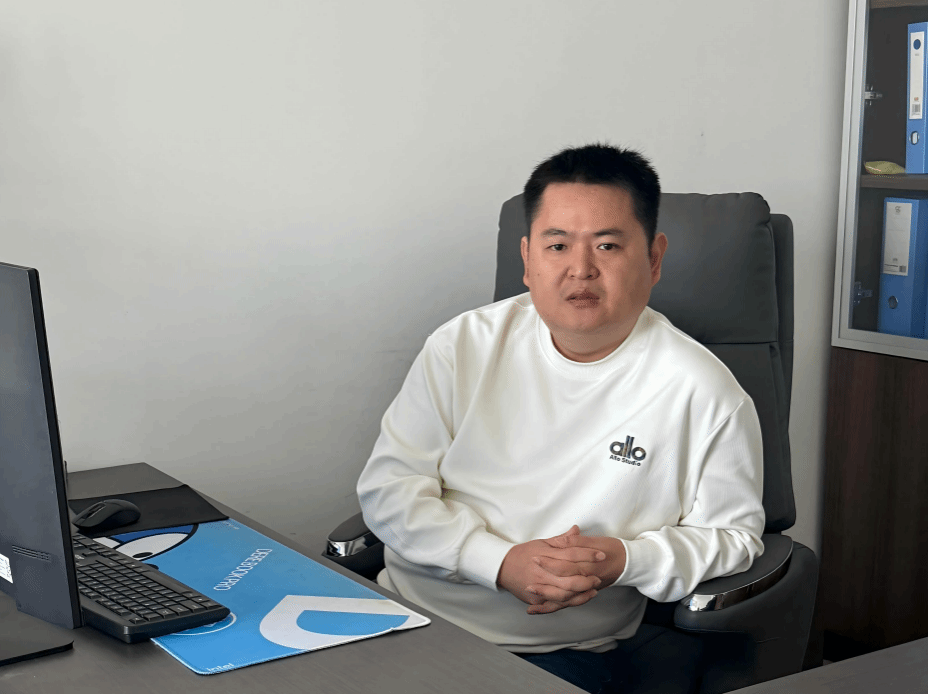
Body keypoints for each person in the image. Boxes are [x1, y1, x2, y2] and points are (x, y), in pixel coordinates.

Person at [356, 143, 765, 694]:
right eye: (557, 245)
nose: (581, 269)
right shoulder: (462, 345)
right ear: (528, 259)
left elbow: (734, 537)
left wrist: (624, 559)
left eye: (607, 245)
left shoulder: (704, 390)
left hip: (558, 652)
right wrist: (498, 562)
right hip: (405, 618)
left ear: (654, 258)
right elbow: (389, 489)